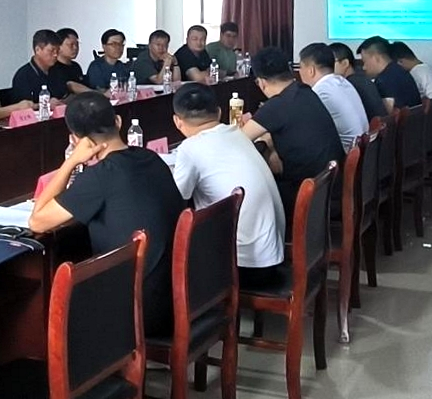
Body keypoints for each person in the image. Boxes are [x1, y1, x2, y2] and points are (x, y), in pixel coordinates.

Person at [29, 92, 185, 337]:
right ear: (118, 122)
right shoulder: (151, 158)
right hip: (176, 296)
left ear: (76, 139)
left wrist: (71, 162)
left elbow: (37, 221)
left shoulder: (101, 175)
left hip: (139, 312)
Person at [172, 83, 286, 290]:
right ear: (219, 112)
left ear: (177, 121)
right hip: (270, 257)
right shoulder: (237, 133)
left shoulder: (190, 148)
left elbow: (176, 197)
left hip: (244, 268)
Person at [242, 47, 344, 221]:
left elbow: (239, 140)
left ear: (261, 82)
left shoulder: (277, 105)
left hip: (309, 199)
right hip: (330, 189)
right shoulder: (305, 91)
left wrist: (263, 140)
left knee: (254, 194)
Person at [297, 43, 369, 152]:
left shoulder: (321, 91)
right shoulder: (344, 82)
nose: (299, 72)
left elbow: (304, 126)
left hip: (347, 154)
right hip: (362, 150)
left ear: (311, 70)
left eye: (300, 67)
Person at [357, 36, 422, 111]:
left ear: (376, 58)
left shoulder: (383, 81)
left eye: (364, 62)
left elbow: (387, 115)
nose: (364, 67)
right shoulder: (401, 71)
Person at [330, 42, 389, 121]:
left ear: (345, 63)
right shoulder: (361, 79)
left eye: (330, 63)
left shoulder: (349, 85)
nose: (327, 68)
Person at [11, 29, 69, 103]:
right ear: (37, 50)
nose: (55, 55)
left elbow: (64, 95)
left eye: (57, 51)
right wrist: (46, 104)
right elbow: (23, 106)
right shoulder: (23, 76)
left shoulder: (58, 70)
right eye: (51, 51)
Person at [52, 28, 90, 95]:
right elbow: (70, 86)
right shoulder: (53, 67)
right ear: (58, 47)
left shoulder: (76, 66)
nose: (75, 48)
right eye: (71, 45)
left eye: (77, 44)